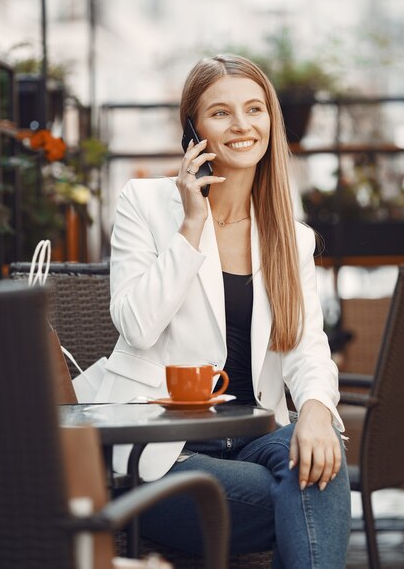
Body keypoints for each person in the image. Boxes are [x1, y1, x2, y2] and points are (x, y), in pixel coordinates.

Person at [96, 54, 351, 568]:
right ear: (192, 129)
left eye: (255, 109)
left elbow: (307, 348)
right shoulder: (144, 204)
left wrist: (318, 414)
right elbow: (137, 326)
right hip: (161, 452)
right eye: (221, 113)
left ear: (271, 121)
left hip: (252, 440)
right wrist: (191, 226)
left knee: (319, 457)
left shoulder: (290, 237)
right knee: (309, 488)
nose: (242, 125)